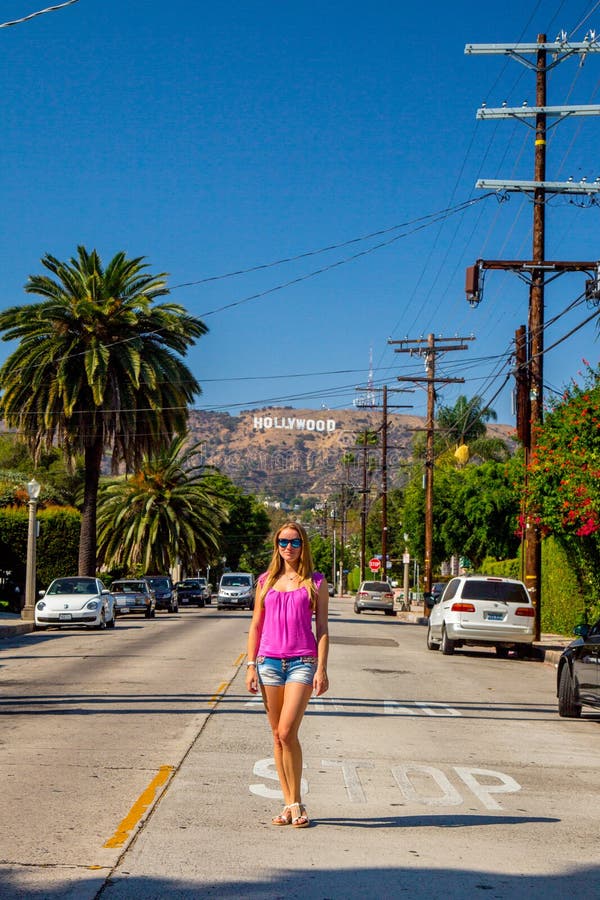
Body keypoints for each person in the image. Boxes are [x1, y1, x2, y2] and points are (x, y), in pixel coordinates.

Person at [246, 521, 329, 828]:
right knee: (277, 737)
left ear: (303, 545)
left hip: (302, 662)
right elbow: (256, 624)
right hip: (268, 662)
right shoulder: (265, 581)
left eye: (294, 542)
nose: (289, 548)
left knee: (286, 732)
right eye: (283, 542)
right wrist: (250, 665)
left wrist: (321, 668)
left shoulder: (315, 582)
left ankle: (297, 803)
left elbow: (321, 628)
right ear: (276, 545)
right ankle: (289, 803)